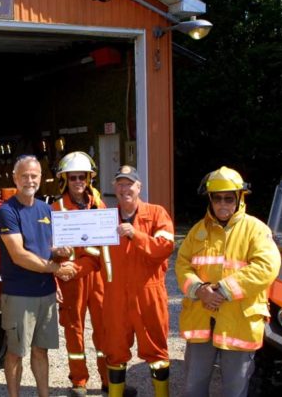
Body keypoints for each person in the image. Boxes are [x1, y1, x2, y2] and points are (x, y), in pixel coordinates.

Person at [175, 166, 281, 397]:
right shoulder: (197, 231)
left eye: (229, 198)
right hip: (202, 320)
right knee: (194, 387)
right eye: (217, 198)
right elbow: (182, 265)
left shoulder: (256, 230)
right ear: (210, 199)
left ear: (239, 198)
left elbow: (267, 267)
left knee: (235, 390)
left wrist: (223, 289)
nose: (223, 204)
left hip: (238, 323)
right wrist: (199, 289)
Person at [0, 155, 77, 397]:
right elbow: (19, 254)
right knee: (16, 352)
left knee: (41, 351)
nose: (29, 180)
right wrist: (55, 269)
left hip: (45, 292)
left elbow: (47, 246)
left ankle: (44, 395)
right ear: (15, 178)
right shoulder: (6, 212)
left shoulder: (45, 209)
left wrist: (61, 252)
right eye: (24, 176)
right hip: (19, 294)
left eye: (34, 176)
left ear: (41, 178)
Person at [102, 165, 175, 397]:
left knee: (156, 350)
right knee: (114, 349)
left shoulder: (156, 214)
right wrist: (67, 265)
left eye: (129, 184)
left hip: (148, 293)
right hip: (116, 297)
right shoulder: (104, 219)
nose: (125, 189)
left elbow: (165, 247)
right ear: (115, 187)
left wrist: (136, 234)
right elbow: (93, 255)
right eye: (120, 184)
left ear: (139, 187)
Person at [51, 152, 109, 396]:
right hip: (69, 280)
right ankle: (79, 382)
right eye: (73, 177)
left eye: (82, 177)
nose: (78, 182)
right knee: (74, 330)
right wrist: (55, 254)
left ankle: (110, 382)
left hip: (95, 277)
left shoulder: (99, 205)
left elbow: (106, 245)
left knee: (105, 329)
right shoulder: (55, 209)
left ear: (89, 179)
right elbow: (46, 249)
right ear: (65, 180)